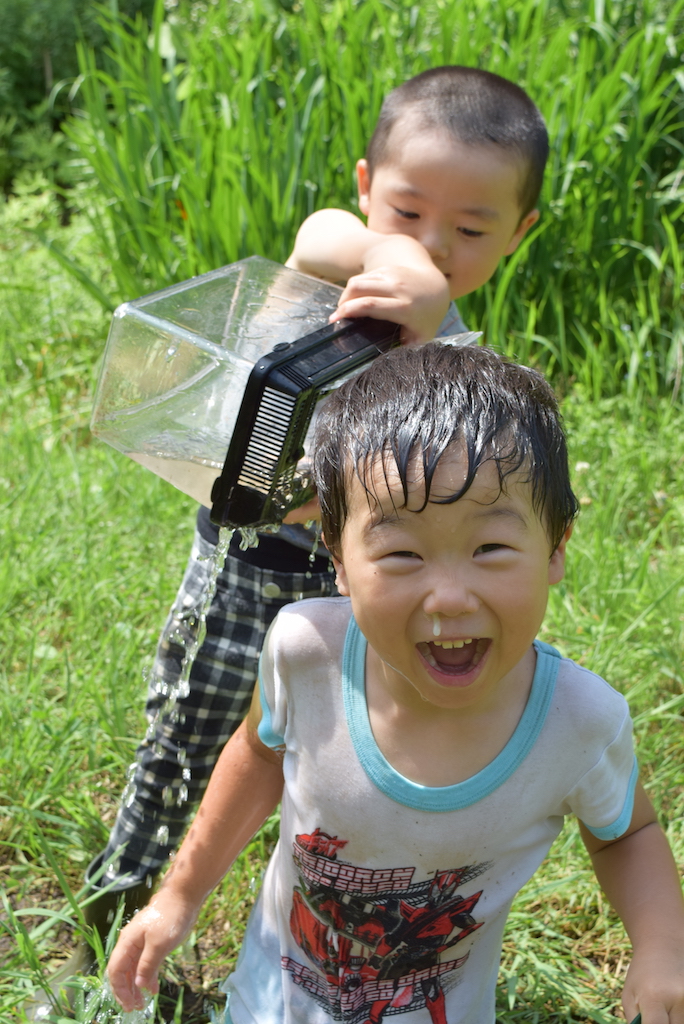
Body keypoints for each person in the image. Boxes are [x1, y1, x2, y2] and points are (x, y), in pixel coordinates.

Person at [28, 65, 545, 1013]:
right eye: (407, 210)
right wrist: (384, 258)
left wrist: (431, 328)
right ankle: (117, 905)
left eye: (470, 231)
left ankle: (306, 941)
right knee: (189, 729)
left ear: (520, 236)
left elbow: (464, 471)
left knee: (322, 757)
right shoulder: (338, 258)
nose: (431, 245)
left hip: (366, 598)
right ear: (365, 187)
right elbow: (319, 238)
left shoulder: (469, 369)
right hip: (252, 562)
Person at [107, 343, 684, 1024]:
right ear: (339, 560)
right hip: (274, 999)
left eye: (491, 549)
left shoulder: (578, 722)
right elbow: (259, 755)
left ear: (556, 547)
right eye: (402, 554)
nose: (448, 597)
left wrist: (663, 948)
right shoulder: (304, 653)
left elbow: (626, 834)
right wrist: (178, 896)